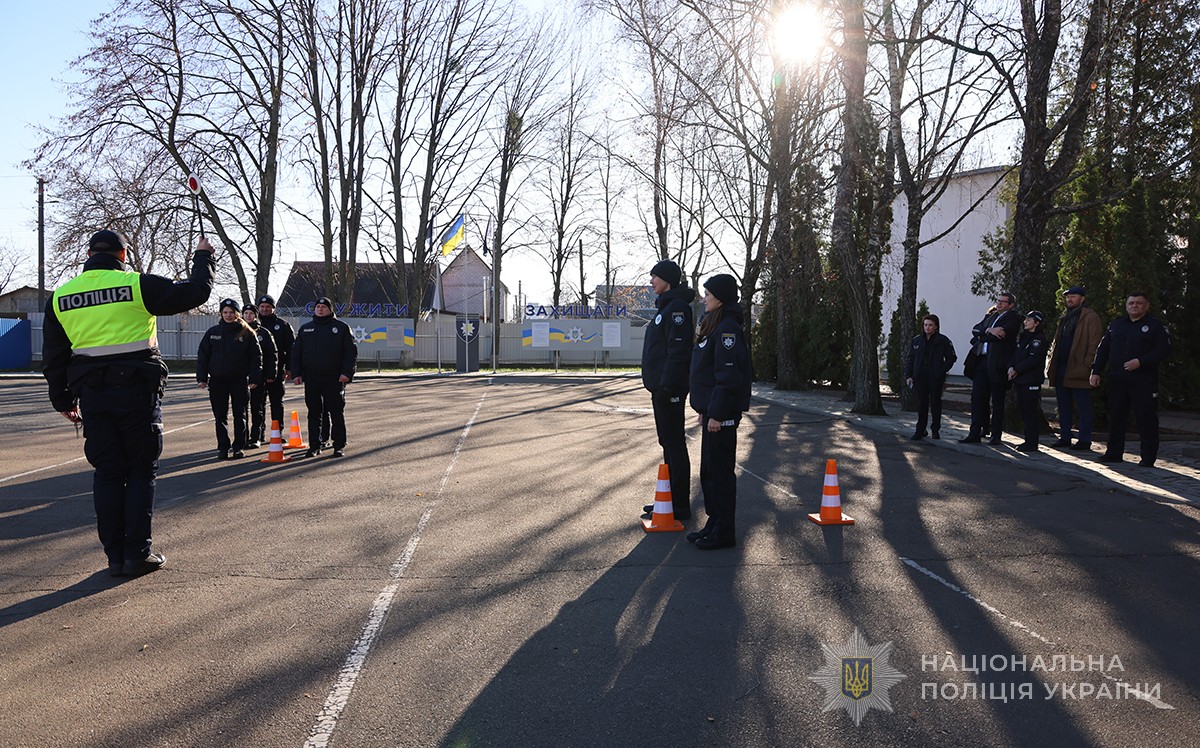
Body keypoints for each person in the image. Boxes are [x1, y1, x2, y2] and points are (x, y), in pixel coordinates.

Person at [43, 230, 216, 577]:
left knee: (108, 474)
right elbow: (196, 292)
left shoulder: (61, 296)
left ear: (88, 255)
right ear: (122, 255)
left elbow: (54, 355)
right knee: (140, 470)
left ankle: (115, 558)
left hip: (93, 395)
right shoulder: (137, 285)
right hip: (137, 392)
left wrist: (62, 399)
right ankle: (137, 554)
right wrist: (203, 256)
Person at [687, 274, 751, 550]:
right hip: (712, 412)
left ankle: (724, 532)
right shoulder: (714, 324)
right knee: (709, 473)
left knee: (720, 475)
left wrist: (717, 413)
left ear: (721, 298)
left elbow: (727, 376)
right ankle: (714, 523)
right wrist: (706, 409)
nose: (704, 298)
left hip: (721, 416)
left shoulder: (727, 330)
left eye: (708, 294)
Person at [640, 259, 695, 521]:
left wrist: (668, 386)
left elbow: (678, 351)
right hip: (661, 388)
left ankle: (680, 505)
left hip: (669, 389)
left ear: (668, 280)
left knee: (674, 444)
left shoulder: (677, 309)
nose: (651, 281)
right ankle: (668, 500)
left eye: (655, 277)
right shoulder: (666, 306)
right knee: (668, 443)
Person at [1090, 292, 1172, 467]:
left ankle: (1148, 457)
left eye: (1139, 303)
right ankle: (1114, 453)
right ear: (1126, 306)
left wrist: (1141, 362)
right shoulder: (1117, 325)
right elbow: (1103, 349)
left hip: (1143, 379)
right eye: (1131, 303)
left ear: (1146, 306)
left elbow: (1163, 350)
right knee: (1116, 416)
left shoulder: (1155, 326)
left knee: (1146, 418)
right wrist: (1096, 371)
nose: (1134, 306)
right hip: (1118, 378)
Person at [292, 296, 357, 457]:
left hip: (334, 377)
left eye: (324, 307)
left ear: (330, 310)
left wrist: (347, 373)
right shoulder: (306, 329)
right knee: (314, 412)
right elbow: (296, 353)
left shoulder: (341, 328)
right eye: (318, 307)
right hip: (312, 377)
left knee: (336, 411)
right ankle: (315, 445)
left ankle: (339, 444)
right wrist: (296, 373)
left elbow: (350, 353)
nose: (320, 309)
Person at [197, 299, 262, 459]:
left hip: (239, 380)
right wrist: (202, 377)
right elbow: (203, 356)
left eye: (231, 312)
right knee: (220, 416)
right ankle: (223, 447)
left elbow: (256, 357)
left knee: (240, 415)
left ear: (237, 314)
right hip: (218, 380)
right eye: (225, 312)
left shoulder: (246, 333)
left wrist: (254, 378)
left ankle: (238, 446)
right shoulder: (213, 332)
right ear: (221, 314)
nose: (228, 315)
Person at [1046, 286, 1103, 451]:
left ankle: (1084, 439)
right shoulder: (1065, 316)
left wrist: (1087, 364)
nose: (1069, 299)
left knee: (1082, 406)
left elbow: (1094, 343)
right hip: (1062, 366)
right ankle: (1065, 437)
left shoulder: (1090, 317)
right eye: (1068, 297)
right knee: (1064, 405)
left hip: (1079, 367)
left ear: (1082, 299)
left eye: (1073, 296)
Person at [961, 292, 1021, 444]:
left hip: (998, 364)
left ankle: (996, 435)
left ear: (1011, 305)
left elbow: (1000, 336)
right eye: (998, 300)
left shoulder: (1013, 318)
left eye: (1003, 301)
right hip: (981, 361)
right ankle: (974, 432)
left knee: (997, 400)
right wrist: (989, 330)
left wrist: (984, 334)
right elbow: (975, 330)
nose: (999, 303)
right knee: (977, 397)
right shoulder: (991, 317)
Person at [904, 314, 957, 440]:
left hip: (935, 376)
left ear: (936, 326)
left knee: (935, 403)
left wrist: (941, 371)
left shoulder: (942, 340)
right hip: (920, 376)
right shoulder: (917, 340)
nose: (927, 327)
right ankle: (920, 430)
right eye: (925, 325)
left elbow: (951, 358)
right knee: (922, 403)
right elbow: (910, 358)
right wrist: (908, 375)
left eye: (930, 325)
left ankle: (935, 430)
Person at [1008, 311, 1049, 452]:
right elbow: (1015, 354)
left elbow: (1033, 359)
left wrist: (1017, 369)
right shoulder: (1023, 337)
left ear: (1036, 323)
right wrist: (1011, 367)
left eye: (1029, 320)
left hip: (1031, 380)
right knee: (1023, 410)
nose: (1025, 322)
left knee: (1030, 411)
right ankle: (1027, 439)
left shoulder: (1039, 340)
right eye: (1025, 319)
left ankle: (1032, 442)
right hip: (1020, 379)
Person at [256, 294, 294, 433]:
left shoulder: (283, 325)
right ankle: (258, 434)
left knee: (276, 402)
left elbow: (291, 349)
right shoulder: (251, 325)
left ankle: (277, 432)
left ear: (273, 308)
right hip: (257, 370)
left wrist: (289, 368)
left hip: (277, 370)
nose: (265, 309)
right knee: (258, 403)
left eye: (268, 307)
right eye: (262, 306)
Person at [242, 304, 277, 447]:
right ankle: (242, 438)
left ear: (256, 316)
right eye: (246, 313)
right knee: (242, 409)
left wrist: (271, 373)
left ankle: (256, 436)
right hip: (240, 375)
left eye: (251, 313)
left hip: (258, 375)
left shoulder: (264, 333)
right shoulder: (237, 331)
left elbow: (272, 354)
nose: (248, 316)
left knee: (257, 407)